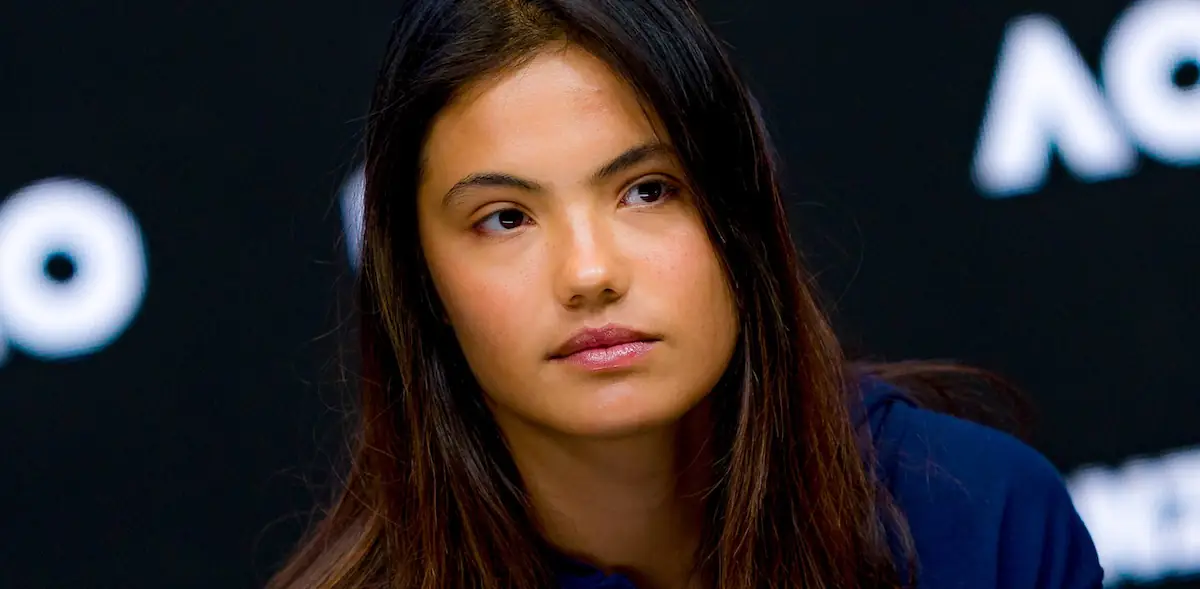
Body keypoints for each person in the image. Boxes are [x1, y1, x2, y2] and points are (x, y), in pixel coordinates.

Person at [268, 0, 1103, 587]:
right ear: (418, 281)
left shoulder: (976, 520)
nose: (589, 272)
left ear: (739, 216)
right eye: (505, 217)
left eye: (647, 191)